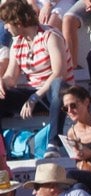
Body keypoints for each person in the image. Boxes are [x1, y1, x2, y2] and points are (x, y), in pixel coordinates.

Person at [0, 0, 72, 151]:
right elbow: (11, 77)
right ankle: (3, 148)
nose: (5, 27)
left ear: (18, 22)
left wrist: (35, 97)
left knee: (58, 85)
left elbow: (60, 73)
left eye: (7, 23)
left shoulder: (50, 36)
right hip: (32, 93)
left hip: (54, 93)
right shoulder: (18, 43)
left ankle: (54, 144)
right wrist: (1, 82)